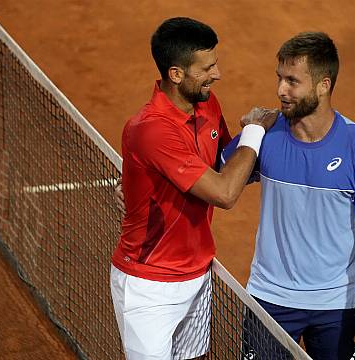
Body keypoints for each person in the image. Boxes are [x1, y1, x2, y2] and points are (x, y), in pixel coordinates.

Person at [109, 17, 277, 360]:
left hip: (198, 273)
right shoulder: (151, 129)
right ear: (176, 74)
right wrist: (255, 131)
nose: (217, 74)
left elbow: (230, 167)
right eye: (207, 68)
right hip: (150, 285)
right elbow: (225, 192)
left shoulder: (207, 104)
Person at [221, 32, 355, 360]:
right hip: (270, 299)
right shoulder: (264, 134)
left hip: (337, 305)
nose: (280, 90)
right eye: (279, 78)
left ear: (323, 85)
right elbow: (213, 180)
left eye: (292, 81)